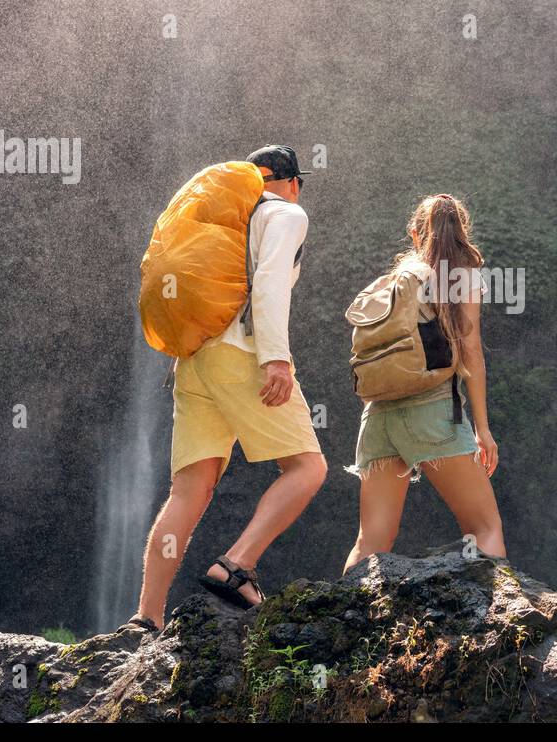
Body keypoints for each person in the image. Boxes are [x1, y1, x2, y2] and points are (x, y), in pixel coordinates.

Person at [118, 145, 327, 634]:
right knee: (307, 468)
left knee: (190, 488)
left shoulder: (218, 225)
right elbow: (271, 284)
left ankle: (146, 616)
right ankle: (236, 565)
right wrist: (276, 359)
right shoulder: (286, 214)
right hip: (244, 356)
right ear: (291, 181)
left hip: (192, 363)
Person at [342, 194, 505, 572]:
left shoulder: (394, 282)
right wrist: (482, 429)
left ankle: (345, 623)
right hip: (434, 414)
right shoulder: (461, 275)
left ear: (414, 234)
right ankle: (492, 626)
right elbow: (471, 352)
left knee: (370, 543)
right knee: (484, 528)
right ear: (462, 232)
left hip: (378, 418)